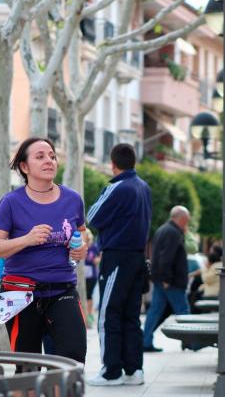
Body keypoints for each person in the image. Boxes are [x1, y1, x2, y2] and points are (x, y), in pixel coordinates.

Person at [0, 137, 88, 364]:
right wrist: (26, 239)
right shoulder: (11, 202)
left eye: (52, 156)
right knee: (27, 367)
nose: (49, 161)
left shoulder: (73, 199)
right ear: (24, 166)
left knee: (73, 359)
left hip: (63, 290)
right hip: (20, 293)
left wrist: (81, 247)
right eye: (40, 157)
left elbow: (83, 232)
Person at [85, 144, 152, 387]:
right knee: (131, 316)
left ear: (113, 164)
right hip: (137, 257)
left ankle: (111, 371)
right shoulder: (144, 187)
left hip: (117, 257)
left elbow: (92, 216)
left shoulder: (117, 186)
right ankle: (134, 371)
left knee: (109, 313)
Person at [142, 206, 192, 353]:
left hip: (162, 279)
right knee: (183, 311)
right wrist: (166, 278)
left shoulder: (162, 230)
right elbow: (166, 257)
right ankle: (190, 341)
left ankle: (145, 341)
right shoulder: (173, 232)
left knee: (155, 311)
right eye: (186, 221)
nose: (186, 224)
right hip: (170, 281)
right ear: (181, 219)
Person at [84, 231, 100, 326]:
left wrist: (96, 260)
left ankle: (90, 314)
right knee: (83, 295)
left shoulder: (94, 247)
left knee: (89, 295)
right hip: (83, 276)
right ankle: (85, 314)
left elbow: (99, 257)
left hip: (92, 275)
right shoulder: (82, 246)